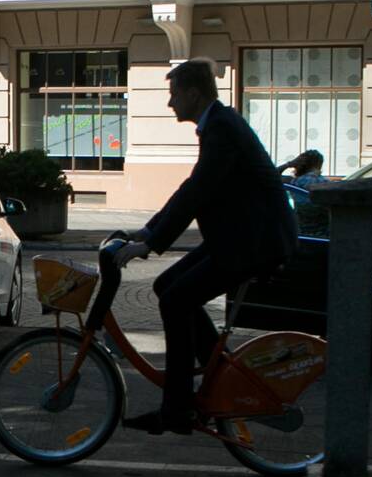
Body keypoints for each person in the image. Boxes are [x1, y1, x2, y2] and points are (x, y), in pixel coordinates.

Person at [112, 58, 298, 435]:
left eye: (174, 94)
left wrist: (151, 245)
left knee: (176, 300)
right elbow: (191, 188)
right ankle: (221, 377)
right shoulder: (218, 125)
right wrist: (146, 233)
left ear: (193, 93)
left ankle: (177, 409)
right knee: (167, 287)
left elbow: (198, 192)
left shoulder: (222, 129)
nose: (170, 103)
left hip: (254, 244)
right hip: (237, 239)